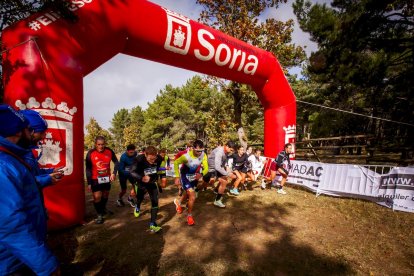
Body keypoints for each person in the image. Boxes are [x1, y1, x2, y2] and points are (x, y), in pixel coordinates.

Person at [0, 104, 60, 275]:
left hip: (21, 252)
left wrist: (48, 173)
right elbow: (10, 224)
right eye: (28, 129)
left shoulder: (11, 156)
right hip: (11, 261)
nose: (40, 136)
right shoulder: (3, 164)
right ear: (19, 131)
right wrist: (46, 265)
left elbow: (26, 180)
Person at [20, 109, 64, 187]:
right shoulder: (11, 154)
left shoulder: (25, 151)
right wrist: (45, 179)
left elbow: (32, 173)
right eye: (41, 132)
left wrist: (51, 171)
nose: (44, 136)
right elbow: (20, 184)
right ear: (29, 131)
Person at [173, 139, 208, 226]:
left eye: (201, 150)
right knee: (192, 195)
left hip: (194, 176)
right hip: (185, 176)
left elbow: (206, 167)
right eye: (197, 151)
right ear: (193, 148)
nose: (199, 153)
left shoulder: (203, 155)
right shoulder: (186, 156)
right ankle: (189, 216)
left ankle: (179, 203)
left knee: (187, 192)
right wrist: (177, 176)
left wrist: (201, 174)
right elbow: (176, 163)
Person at [85, 136, 119, 224]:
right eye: (99, 144)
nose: (101, 146)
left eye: (103, 144)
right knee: (97, 197)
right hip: (95, 179)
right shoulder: (91, 153)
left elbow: (116, 162)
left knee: (105, 195)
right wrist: (89, 182)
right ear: (95, 145)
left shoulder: (109, 151)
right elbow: (88, 169)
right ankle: (99, 215)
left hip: (106, 178)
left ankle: (103, 208)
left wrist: (114, 173)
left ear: (105, 144)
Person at [130, 146, 163, 233]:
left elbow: (156, 168)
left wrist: (155, 178)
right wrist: (141, 178)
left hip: (152, 181)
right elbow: (132, 172)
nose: (153, 161)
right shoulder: (139, 159)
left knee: (155, 201)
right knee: (140, 197)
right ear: (145, 154)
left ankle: (152, 224)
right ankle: (137, 206)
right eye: (150, 159)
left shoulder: (159, 158)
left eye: (154, 158)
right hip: (141, 182)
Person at [206, 141, 236, 208]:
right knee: (207, 182)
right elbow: (217, 167)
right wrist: (228, 174)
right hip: (212, 167)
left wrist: (227, 168)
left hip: (218, 166)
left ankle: (217, 200)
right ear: (227, 146)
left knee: (224, 181)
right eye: (231, 150)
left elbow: (224, 161)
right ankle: (196, 190)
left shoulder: (226, 151)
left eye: (232, 150)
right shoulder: (220, 151)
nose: (231, 151)